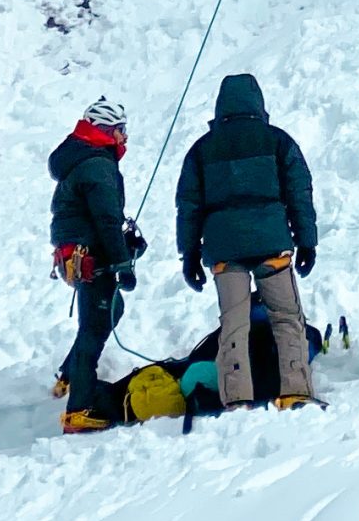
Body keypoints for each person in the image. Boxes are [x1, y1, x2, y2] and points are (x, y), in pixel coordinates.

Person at [176, 73, 318, 410]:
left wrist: (190, 254)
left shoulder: (201, 150)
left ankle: (237, 398)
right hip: (272, 244)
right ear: (258, 103)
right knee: (286, 318)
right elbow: (299, 193)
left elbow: (188, 206)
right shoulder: (278, 141)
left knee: (234, 325)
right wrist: (307, 241)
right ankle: (294, 390)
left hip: (225, 250)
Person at [48, 96, 142, 434]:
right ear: (106, 130)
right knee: (96, 324)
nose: (124, 137)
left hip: (79, 256)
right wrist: (122, 262)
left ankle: (69, 375)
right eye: (121, 130)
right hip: (93, 258)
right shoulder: (99, 166)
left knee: (107, 313)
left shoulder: (82, 159)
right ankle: (79, 410)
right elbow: (105, 219)